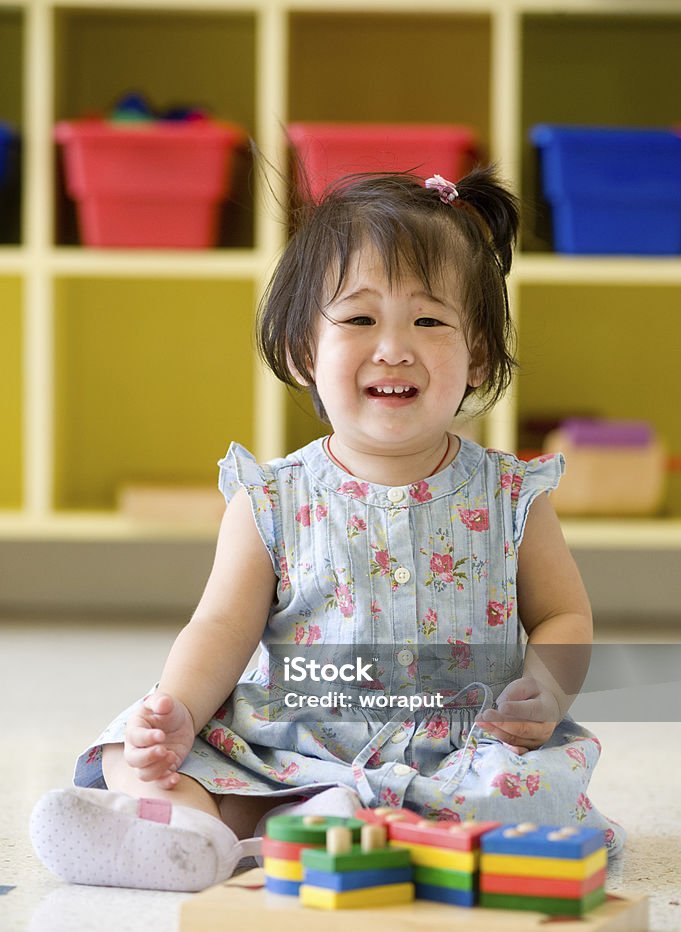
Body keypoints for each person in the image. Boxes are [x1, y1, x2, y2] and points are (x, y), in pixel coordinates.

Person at [30, 166, 624, 892]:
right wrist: (175, 716)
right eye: (359, 318)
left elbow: (563, 612)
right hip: (287, 737)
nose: (394, 348)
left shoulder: (511, 495)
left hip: (453, 747)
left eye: (429, 321)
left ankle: (286, 833)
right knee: (138, 746)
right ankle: (182, 830)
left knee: (521, 792)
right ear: (302, 353)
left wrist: (548, 688)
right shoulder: (271, 497)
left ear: (476, 358)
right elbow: (220, 625)